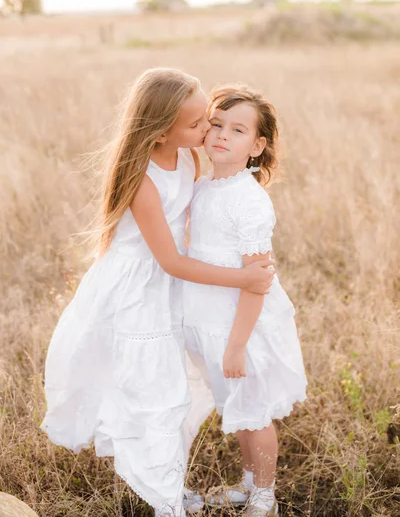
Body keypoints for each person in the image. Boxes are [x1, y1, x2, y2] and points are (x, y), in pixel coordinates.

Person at [40, 69, 275, 517]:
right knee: (151, 387)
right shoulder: (142, 177)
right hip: (139, 284)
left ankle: (165, 478)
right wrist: (242, 279)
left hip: (174, 284)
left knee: (171, 385)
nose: (208, 131)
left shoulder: (187, 158)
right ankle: (164, 495)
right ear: (162, 130)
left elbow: (196, 220)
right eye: (198, 125)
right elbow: (168, 259)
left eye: (206, 118)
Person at [183, 84, 307, 517]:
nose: (221, 135)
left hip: (242, 325)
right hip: (210, 318)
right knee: (235, 410)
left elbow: (257, 282)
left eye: (237, 130)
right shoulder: (203, 186)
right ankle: (247, 481)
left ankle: (264, 495)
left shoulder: (249, 201)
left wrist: (237, 344)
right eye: (215, 124)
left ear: (257, 146)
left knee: (254, 413)